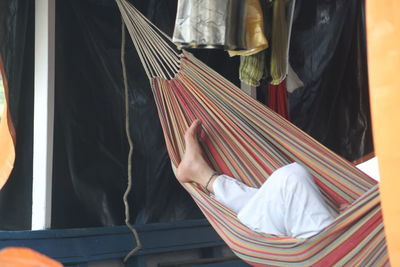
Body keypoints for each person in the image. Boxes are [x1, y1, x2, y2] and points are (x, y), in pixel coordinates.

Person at [177, 119, 335, 238]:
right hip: (325, 246)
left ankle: (203, 175)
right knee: (277, 198)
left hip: (325, 251)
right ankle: (203, 175)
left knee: (292, 179)